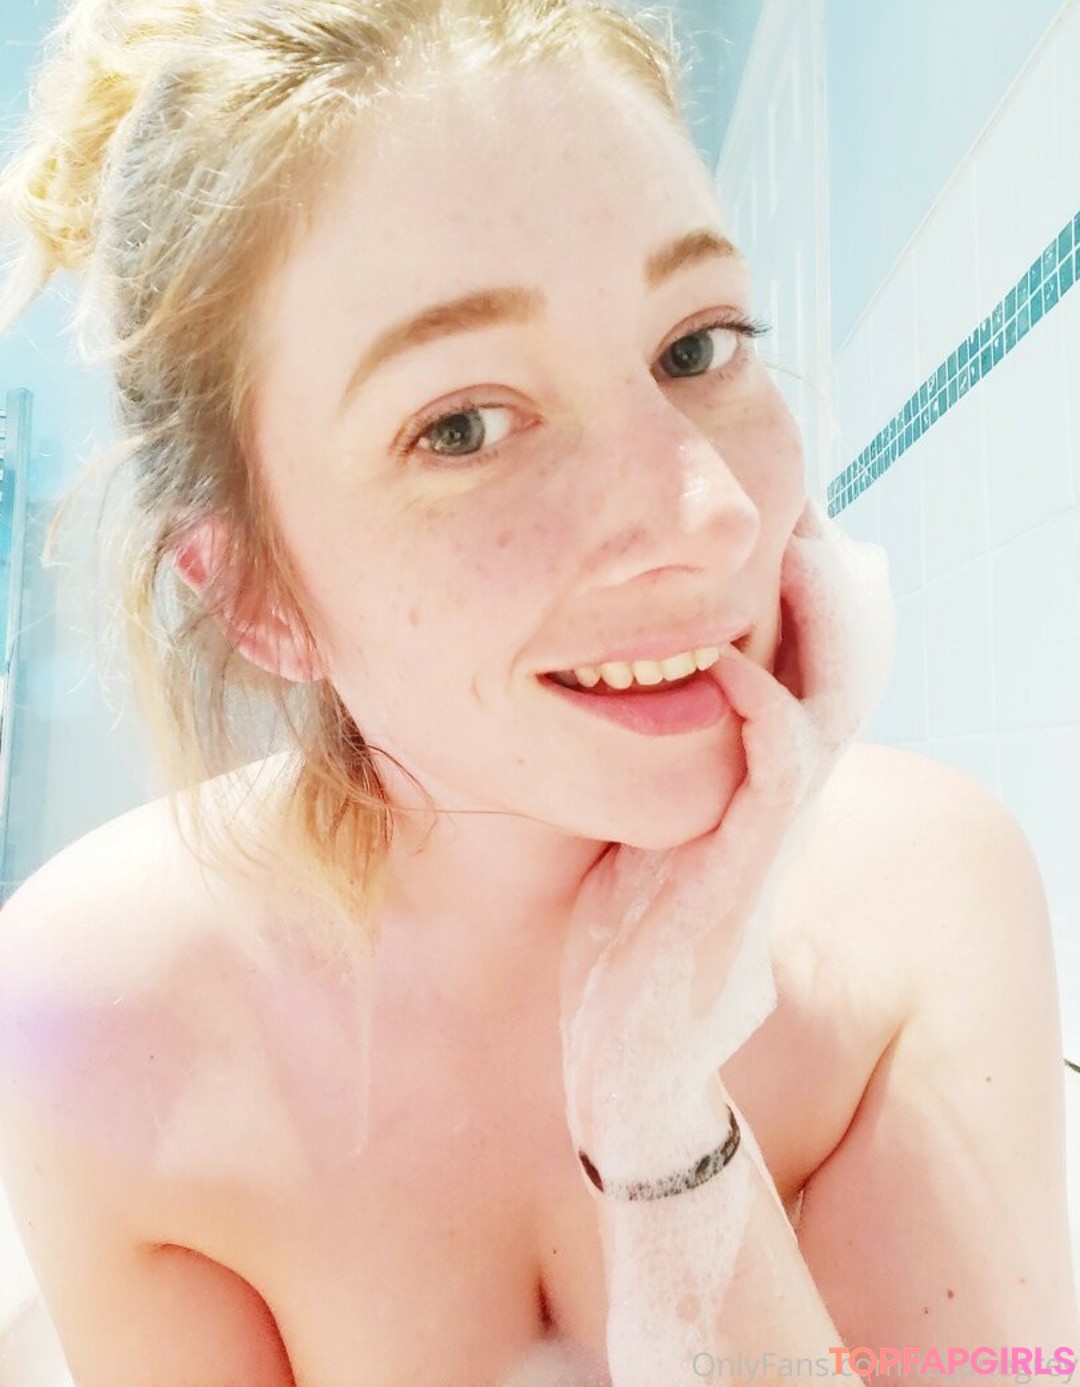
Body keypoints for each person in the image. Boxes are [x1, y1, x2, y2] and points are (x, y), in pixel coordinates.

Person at [0, 1, 1076, 1384]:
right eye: (462, 426)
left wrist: (662, 1096)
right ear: (258, 596)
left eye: (698, 347)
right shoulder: (106, 1023)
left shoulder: (926, 900)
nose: (708, 514)